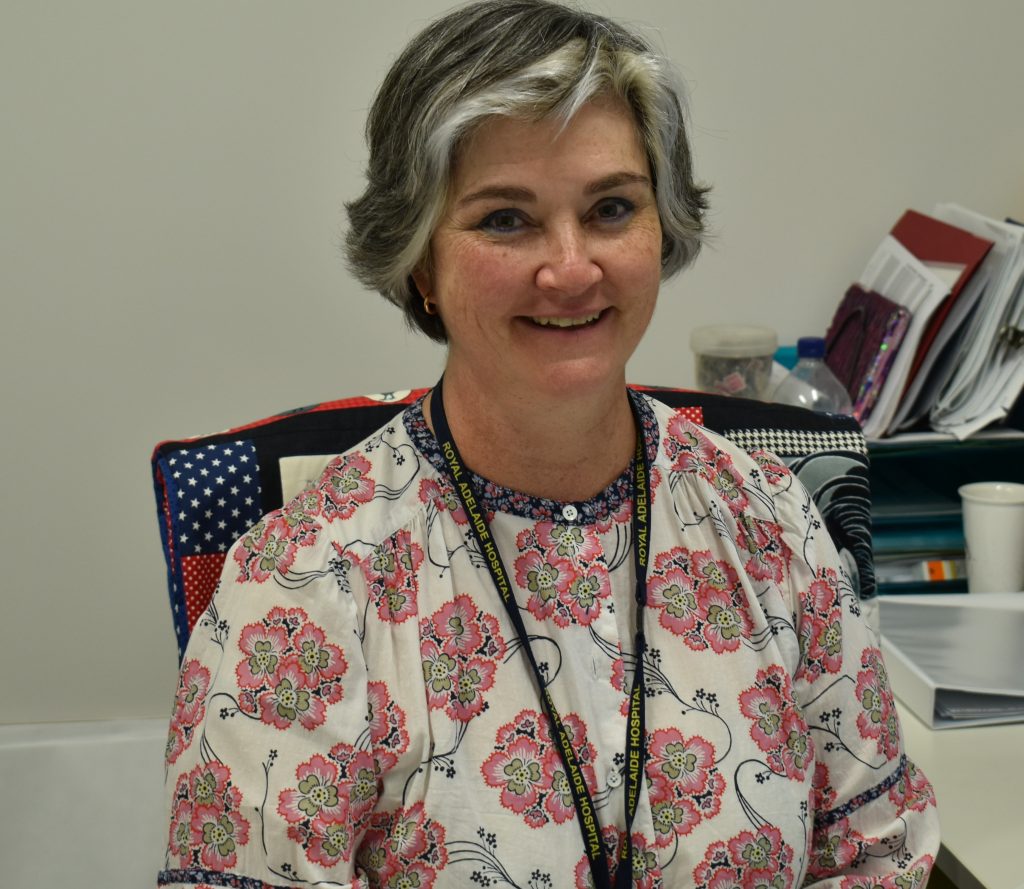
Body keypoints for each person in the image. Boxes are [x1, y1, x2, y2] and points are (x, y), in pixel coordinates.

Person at [158, 2, 939, 887]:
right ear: (421, 262)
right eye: (505, 220)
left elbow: (880, 848)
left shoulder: (770, 521)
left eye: (611, 208)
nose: (571, 268)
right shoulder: (301, 589)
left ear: (663, 225)